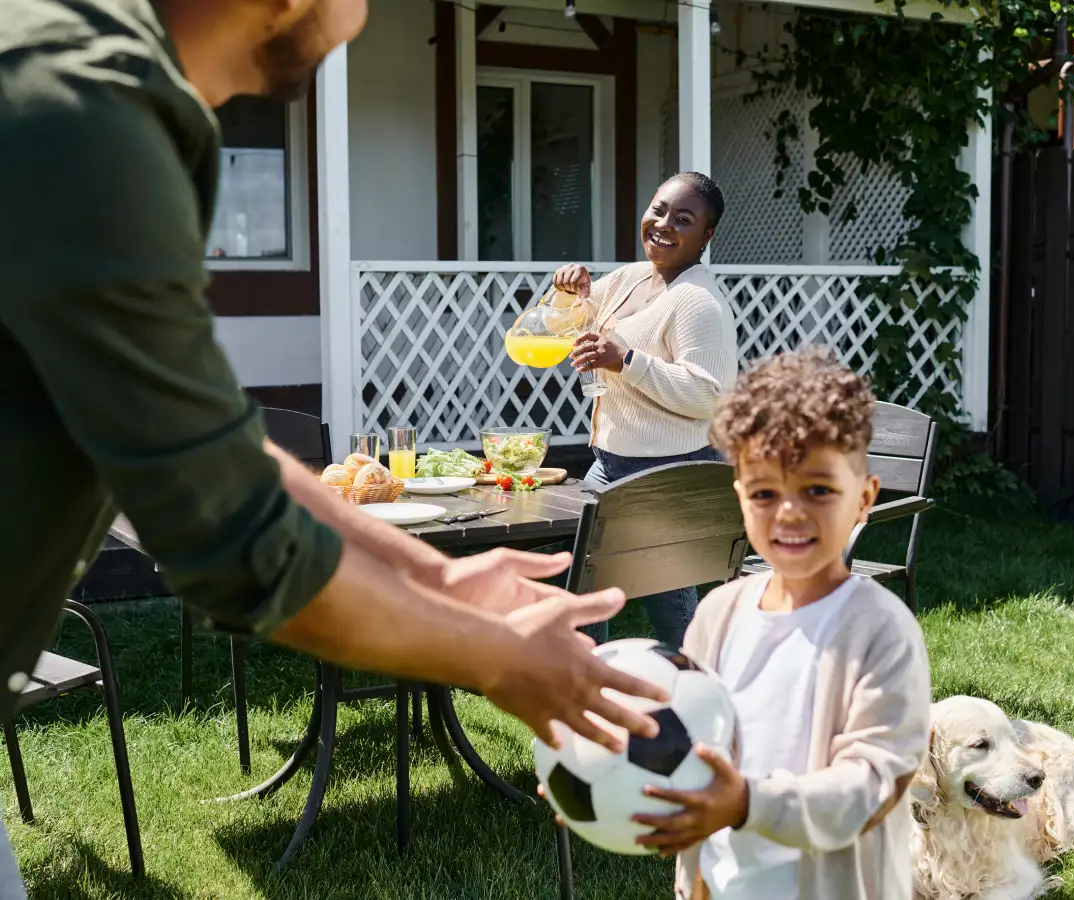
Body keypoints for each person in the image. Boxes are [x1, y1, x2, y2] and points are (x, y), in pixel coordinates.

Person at [0, 1, 665, 895]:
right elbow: (237, 542)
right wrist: (494, 658)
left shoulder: (91, 78)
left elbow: (218, 457)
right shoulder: (89, 112)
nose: (361, 18)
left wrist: (435, 580)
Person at [634, 348, 933, 900]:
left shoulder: (881, 631)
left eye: (817, 490)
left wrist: (749, 803)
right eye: (765, 493)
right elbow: (689, 741)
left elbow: (872, 785)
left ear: (865, 497)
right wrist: (605, 778)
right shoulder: (719, 615)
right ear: (740, 499)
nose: (789, 512)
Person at [551, 172, 739, 649]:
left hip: (671, 472)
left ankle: (702, 703)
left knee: (669, 604)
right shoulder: (633, 278)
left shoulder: (698, 302)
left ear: (707, 235)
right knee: (583, 584)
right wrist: (569, 292)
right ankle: (593, 691)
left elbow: (709, 397)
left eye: (683, 219)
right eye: (658, 210)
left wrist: (626, 361)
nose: (663, 224)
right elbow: (567, 323)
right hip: (611, 463)